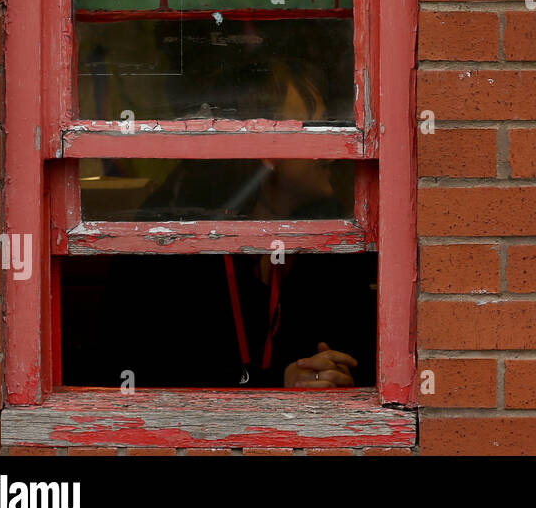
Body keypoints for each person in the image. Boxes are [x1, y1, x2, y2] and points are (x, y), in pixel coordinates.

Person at [63, 59, 373, 390]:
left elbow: (368, 358)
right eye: (312, 128)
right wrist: (276, 387)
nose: (336, 146)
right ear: (262, 144)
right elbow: (131, 372)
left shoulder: (337, 232)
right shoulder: (170, 233)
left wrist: (337, 375)